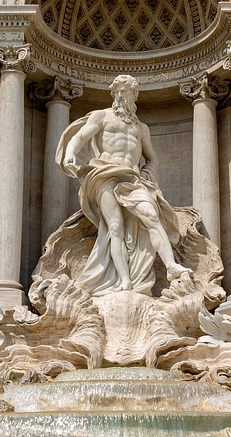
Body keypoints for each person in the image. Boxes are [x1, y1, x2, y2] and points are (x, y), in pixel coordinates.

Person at [57, 74, 187, 295]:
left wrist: (148, 174)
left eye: (126, 92)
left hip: (133, 178)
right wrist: (70, 154)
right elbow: (79, 137)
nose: (121, 95)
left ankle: (171, 266)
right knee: (114, 227)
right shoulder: (101, 117)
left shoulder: (141, 128)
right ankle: (124, 281)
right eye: (118, 91)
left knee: (152, 216)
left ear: (133, 96)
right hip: (105, 174)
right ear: (113, 94)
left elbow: (152, 158)